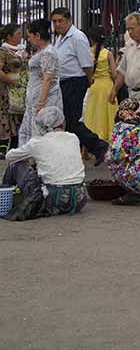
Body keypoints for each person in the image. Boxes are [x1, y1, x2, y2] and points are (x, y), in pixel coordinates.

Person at [2, 106, 87, 217]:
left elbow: (9, 156)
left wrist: (29, 155)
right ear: (62, 123)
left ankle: (5, 194)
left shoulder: (37, 143)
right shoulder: (73, 138)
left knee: (15, 165)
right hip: (79, 199)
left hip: (54, 200)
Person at [49, 7, 107, 164]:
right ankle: (71, 155)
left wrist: (89, 79)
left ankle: (99, 146)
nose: (57, 24)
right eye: (54, 21)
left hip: (75, 81)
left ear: (69, 20)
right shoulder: (59, 38)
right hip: (63, 81)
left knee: (72, 121)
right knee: (67, 120)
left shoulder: (77, 37)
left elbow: (86, 63)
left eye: (60, 21)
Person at [19, 19, 63, 149]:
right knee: (32, 129)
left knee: (41, 130)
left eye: (30, 36)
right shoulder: (41, 52)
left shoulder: (48, 53)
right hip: (34, 97)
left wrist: (41, 102)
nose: (29, 40)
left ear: (37, 36)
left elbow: (48, 78)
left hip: (45, 99)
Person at [83, 26, 118, 143]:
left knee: (92, 116)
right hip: (107, 87)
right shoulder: (108, 53)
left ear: (91, 39)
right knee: (107, 116)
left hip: (93, 87)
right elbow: (114, 74)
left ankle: (86, 148)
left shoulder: (87, 52)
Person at [0, 23, 26, 155]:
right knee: (6, 116)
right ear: (9, 36)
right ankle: (3, 146)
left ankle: (15, 145)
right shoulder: (3, 51)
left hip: (20, 89)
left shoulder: (22, 50)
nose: (21, 36)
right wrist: (11, 80)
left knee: (18, 115)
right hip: (6, 89)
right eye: (18, 34)